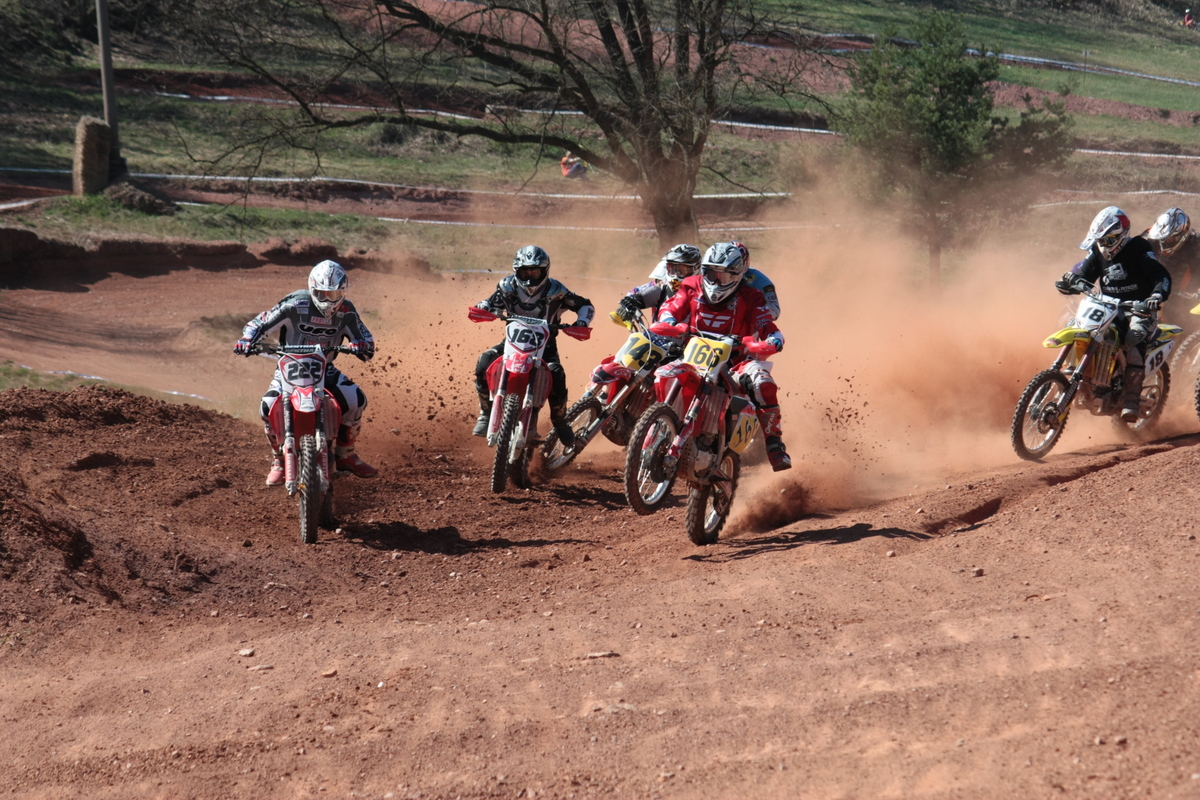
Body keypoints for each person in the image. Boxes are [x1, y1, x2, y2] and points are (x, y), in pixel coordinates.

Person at [234, 260, 378, 485]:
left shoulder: (347, 311)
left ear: (343, 291)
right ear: (312, 289)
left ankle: (346, 454)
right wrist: (247, 340)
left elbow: (365, 339)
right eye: (321, 294)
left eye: (333, 294)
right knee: (267, 406)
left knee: (356, 399)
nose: (327, 301)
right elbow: (261, 322)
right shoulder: (294, 305)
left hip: (325, 369)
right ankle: (279, 460)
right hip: (289, 367)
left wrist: (361, 345)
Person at [655, 241, 792, 472]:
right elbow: (671, 306)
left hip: (736, 361)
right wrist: (669, 321)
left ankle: (775, 445)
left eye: (724, 276)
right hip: (693, 354)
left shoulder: (752, 296)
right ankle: (652, 425)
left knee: (763, 383)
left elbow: (767, 323)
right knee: (661, 371)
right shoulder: (691, 285)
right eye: (711, 273)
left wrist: (772, 339)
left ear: (738, 275)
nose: (716, 281)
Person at [1055, 206, 1171, 422]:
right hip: (1107, 307)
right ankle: (1073, 375)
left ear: (1121, 235)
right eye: (1100, 240)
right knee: (1074, 324)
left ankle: (1130, 400)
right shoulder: (1098, 250)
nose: (1103, 244)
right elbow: (1084, 269)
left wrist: (1156, 296)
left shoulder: (1139, 248)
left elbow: (1160, 276)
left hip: (1139, 309)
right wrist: (1071, 279)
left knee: (1134, 338)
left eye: (1108, 240)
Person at [473, 245, 595, 445]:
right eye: (525, 272)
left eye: (534, 271)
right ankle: (486, 414)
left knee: (556, 374)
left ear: (544, 271)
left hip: (545, 346)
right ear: (516, 271)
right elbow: (489, 303)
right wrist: (483, 307)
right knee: (484, 361)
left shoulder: (557, 290)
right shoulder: (507, 287)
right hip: (512, 342)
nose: (529, 276)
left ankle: (559, 421)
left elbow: (585, 305)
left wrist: (582, 322)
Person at [614, 243, 703, 323]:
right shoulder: (663, 287)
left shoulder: (704, 290)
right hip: (661, 333)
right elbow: (641, 296)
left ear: (696, 268)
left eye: (682, 270)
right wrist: (630, 302)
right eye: (672, 269)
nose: (676, 275)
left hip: (696, 335)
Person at [1144, 207, 1199, 297]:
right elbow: (1133, 252)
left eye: (1169, 238)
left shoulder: (1195, 243)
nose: (1165, 242)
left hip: (1185, 296)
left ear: (1181, 235)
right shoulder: (1153, 234)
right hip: (1154, 290)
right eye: (1163, 238)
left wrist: (1197, 293)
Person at [730, 240, 782, 320]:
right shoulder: (715, 276)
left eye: (736, 265)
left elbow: (774, 310)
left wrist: (750, 312)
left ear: (745, 263)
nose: (730, 268)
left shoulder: (761, 282)